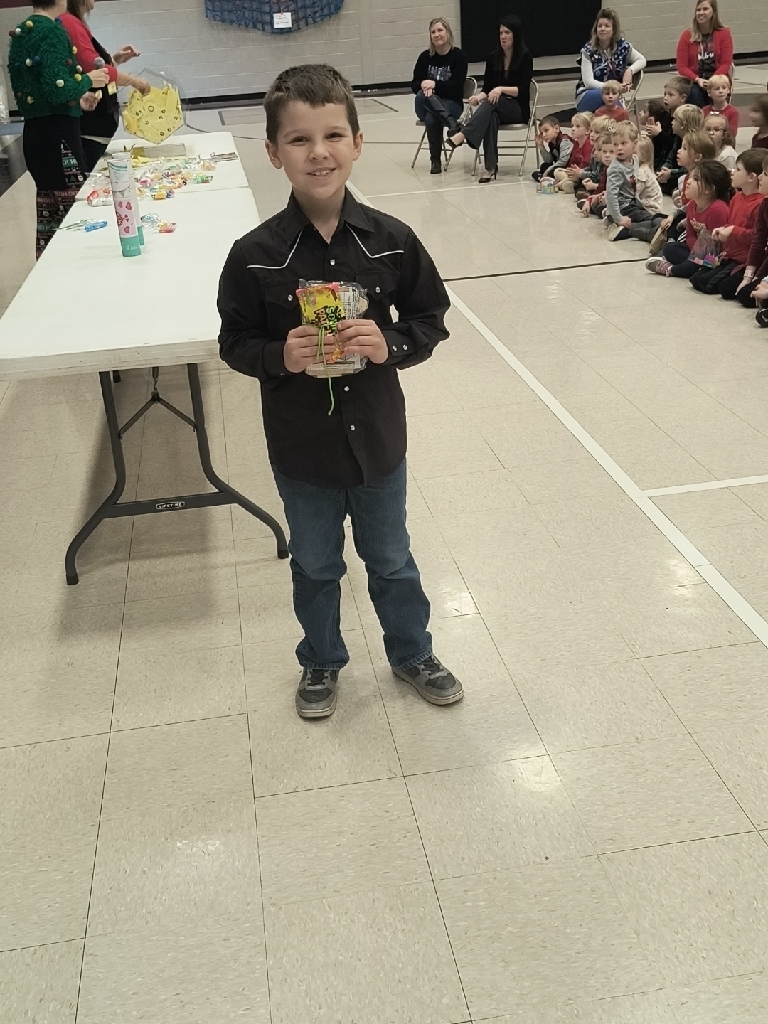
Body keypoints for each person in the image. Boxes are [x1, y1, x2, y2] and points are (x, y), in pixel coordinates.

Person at [217, 64, 462, 719]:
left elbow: (429, 318)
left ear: (357, 142)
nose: (318, 152)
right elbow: (233, 342)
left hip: (378, 442)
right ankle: (321, 659)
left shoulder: (391, 242)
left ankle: (412, 652)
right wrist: (279, 355)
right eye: (299, 139)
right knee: (316, 565)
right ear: (274, 152)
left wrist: (391, 345)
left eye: (332, 136)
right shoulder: (254, 255)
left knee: (392, 559)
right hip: (303, 450)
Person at [7, 0, 109, 257]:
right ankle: (77, 264)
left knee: (50, 214)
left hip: (36, 134)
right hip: (59, 139)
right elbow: (56, 89)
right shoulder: (52, 30)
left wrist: (78, 98)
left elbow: (41, 88)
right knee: (72, 212)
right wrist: (88, 80)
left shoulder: (24, 30)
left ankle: (49, 267)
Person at [59, 0, 149, 170]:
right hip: (88, 129)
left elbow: (90, 68)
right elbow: (94, 69)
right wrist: (135, 81)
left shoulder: (76, 22)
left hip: (94, 130)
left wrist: (114, 60)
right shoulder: (69, 21)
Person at [446, 15, 533, 184]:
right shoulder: (494, 57)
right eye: (501, 33)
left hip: (517, 108)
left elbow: (523, 90)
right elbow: (487, 88)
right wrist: (478, 97)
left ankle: (463, 134)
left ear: (515, 34)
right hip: (495, 106)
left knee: (494, 102)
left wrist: (500, 89)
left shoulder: (525, 56)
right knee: (491, 116)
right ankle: (490, 168)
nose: (503, 36)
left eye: (507, 32)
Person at [691, 149, 766, 297]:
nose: (732, 172)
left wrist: (732, 231)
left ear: (751, 177)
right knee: (697, 279)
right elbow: (731, 223)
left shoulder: (760, 203)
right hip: (729, 255)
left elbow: (756, 236)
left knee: (718, 287)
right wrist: (722, 230)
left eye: (738, 169)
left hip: (743, 259)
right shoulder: (737, 198)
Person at [646, 159, 731, 277]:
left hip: (715, 256)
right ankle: (690, 265)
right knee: (670, 248)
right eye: (690, 177)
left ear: (708, 189)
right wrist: (695, 252)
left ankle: (671, 269)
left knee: (697, 264)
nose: (689, 182)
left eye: (696, 179)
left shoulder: (717, 210)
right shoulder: (692, 205)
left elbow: (716, 245)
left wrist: (698, 256)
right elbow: (690, 235)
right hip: (698, 250)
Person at [410, 17, 467, 174]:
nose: (437, 34)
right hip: (423, 105)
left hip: (452, 104)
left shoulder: (459, 56)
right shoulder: (425, 57)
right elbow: (414, 84)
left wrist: (434, 85)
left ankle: (435, 160)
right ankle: (452, 124)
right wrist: (423, 84)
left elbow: (457, 87)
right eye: (433, 32)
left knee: (432, 117)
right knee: (421, 95)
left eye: (440, 30)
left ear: (448, 32)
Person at [575, 8, 646, 114]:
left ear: (614, 30)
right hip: (588, 94)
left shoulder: (623, 46)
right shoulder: (588, 50)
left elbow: (642, 60)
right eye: (600, 26)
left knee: (609, 107)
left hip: (613, 96)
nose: (602, 29)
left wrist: (630, 70)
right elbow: (588, 83)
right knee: (612, 101)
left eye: (607, 26)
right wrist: (614, 87)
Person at [604, 122, 666, 242]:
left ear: (634, 144)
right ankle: (626, 230)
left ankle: (617, 223)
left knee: (654, 218)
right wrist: (618, 218)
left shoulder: (635, 159)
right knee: (655, 220)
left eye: (623, 143)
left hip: (632, 203)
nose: (619, 148)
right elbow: (611, 195)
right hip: (623, 207)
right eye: (615, 144)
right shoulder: (616, 168)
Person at [675, 0, 733, 108]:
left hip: (717, 79)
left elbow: (725, 63)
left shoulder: (724, 33)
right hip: (695, 81)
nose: (701, 13)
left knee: (716, 92)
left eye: (705, 9)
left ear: (713, 12)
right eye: (698, 10)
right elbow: (682, 67)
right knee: (694, 95)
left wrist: (713, 80)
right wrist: (697, 79)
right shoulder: (686, 35)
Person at [736, 152, 768, 308]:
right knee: (744, 293)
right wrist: (749, 277)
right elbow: (758, 240)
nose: (760, 177)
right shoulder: (765, 204)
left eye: (765, 174)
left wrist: (763, 281)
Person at [657, 102, 704, 195]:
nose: (671, 122)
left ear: (683, 124)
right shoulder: (678, 138)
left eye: (674, 119)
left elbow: (689, 168)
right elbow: (671, 155)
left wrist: (671, 173)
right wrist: (665, 167)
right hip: (677, 172)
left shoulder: (695, 143)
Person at [554, 112, 593, 192]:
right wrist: (570, 170)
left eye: (577, 126)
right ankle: (570, 184)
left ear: (587, 130)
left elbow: (586, 165)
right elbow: (572, 162)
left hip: (584, 173)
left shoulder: (589, 144)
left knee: (574, 177)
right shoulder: (576, 143)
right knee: (557, 171)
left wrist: (576, 172)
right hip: (575, 173)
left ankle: (562, 184)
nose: (573, 129)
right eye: (572, 126)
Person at [579, 133, 615, 218]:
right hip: (605, 197)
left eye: (611, 152)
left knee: (599, 208)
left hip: (618, 202)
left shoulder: (619, 170)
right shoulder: (606, 168)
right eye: (604, 152)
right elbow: (601, 188)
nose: (607, 155)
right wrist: (590, 200)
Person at [532, 115, 573, 183]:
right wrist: (541, 147)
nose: (544, 135)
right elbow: (549, 161)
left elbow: (563, 162)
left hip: (568, 167)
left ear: (556, 129)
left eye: (546, 131)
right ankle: (545, 177)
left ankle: (545, 178)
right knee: (544, 166)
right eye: (541, 133)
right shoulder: (551, 143)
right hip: (560, 166)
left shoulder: (564, 141)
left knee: (552, 170)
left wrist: (548, 170)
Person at [642, 98, 674, 171]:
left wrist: (659, 134)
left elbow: (670, 147)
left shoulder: (666, 127)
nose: (665, 98)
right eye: (665, 94)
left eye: (644, 111)